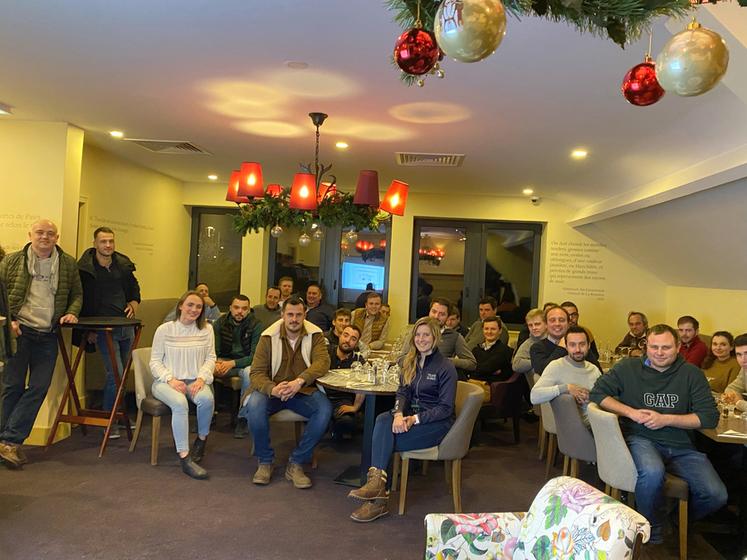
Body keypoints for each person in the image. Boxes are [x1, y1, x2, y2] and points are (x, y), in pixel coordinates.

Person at [590, 324, 727, 545]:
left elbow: (709, 417)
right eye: (654, 347)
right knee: (652, 473)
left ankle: (674, 520)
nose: (659, 353)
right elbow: (598, 393)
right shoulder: (627, 368)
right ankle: (650, 529)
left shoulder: (691, 373)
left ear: (678, 347)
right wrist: (631, 413)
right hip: (641, 438)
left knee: (716, 495)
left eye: (666, 347)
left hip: (681, 445)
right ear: (646, 346)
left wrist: (666, 419)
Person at [347, 317, 457, 522]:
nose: (421, 339)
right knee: (382, 420)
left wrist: (413, 419)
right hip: (409, 415)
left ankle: (378, 500)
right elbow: (402, 392)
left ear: (435, 337)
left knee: (384, 441)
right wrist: (398, 414)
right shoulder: (410, 361)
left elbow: (445, 408)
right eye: (418, 334)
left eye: (426, 334)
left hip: (436, 424)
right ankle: (377, 488)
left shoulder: (446, 367)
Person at [0, 219, 82, 469]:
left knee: (38, 387)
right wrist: (8, 321)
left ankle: (8, 441)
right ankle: (8, 443)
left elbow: (77, 294)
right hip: (19, 332)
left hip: (47, 334)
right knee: (11, 386)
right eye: (40, 233)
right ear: (30, 235)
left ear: (57, 237)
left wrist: (72, 312)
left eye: (50, 234)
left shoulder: (67, 263)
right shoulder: (12, 261)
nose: (44, 237)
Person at [240, 296, 332, 489]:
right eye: (290, 314)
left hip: (302, 390)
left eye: (299, 315)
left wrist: (300, 381)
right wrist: (272, 389)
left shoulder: (315, 335)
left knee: (324, 409)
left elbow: (323, 363)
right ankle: (265, 461)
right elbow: (256, 373)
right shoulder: (267, 337)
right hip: (271, 391)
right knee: (254, 406)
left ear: (305, 315)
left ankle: (297, 462)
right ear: (282, 315)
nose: (294, 319)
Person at [76, 227, 141, 437]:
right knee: (116, 375)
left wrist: (134, 302)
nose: (108, 245)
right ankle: (109, 419)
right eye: (103, 241)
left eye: (111, 241)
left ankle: (118, 415)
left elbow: (134, 288)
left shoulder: (122, 265)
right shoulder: (85, 269)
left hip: (126, 327)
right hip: (104, 329)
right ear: (95, 243)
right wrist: (88, 330)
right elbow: (81, 300)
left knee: (120, 376)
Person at [150, 291, 215, 479]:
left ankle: (201, 441)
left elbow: (211, 358)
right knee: (180, 404)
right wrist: (170, 379)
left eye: (198, 307)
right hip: (165, 382)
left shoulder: (207, 329)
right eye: (190, 305)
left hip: (195, 380)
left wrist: (201, 379)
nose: (194, 310)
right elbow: (154, 361)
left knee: (207, 399)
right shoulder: (164, 330)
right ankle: (185, 458)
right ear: (180, 306)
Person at [213, 295, 262, 438]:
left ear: (248, 310)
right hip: (223, 361)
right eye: (236, 307)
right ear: (230, 308)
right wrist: (217, 362)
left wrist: (232, 363)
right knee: (206, 371)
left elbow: (254, 357)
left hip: (243, 363)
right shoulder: (220, 323)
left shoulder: (256, 325)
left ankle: (243, 418)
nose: (240, 311)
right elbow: (214, 351)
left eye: (244, 308)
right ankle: (208, 414)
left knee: (249, 373)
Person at [530, 326, 600, 426]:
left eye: (582, 344)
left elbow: (602, 397)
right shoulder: (556, 366)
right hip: (576, 427)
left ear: (589, 346)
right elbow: (534, 396)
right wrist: (566, 388)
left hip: (595, 421)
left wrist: (591, 397)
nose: (578, 349)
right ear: (566, 346)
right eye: (572, 345)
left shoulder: (594, 369)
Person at [400, 298, 476, 372]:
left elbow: (472, 363)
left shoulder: (455, 337)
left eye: (442, 314)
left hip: (439, 380)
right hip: (414, 378)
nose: (436, 316)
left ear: (447, 317)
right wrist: (418, 360)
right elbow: (400, 359)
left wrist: (446, 361)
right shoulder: (416, 332)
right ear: (429, 312)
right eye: (434, 312)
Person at [530, 305, 602, 376]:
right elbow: (543, 371)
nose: (557, 324)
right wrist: (561, 348)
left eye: (562, 320)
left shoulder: (579, 345)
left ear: (568, 324)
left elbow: (598, 371)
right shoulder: (537, 348)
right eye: (552, 320)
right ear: (546, 324)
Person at [326, 325, 366, 439]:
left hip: (343, 399)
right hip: (322, 395)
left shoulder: (358, 360)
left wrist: (355, 407)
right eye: (345, 335)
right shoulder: (326, 352)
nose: (348, 340)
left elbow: (364, 385)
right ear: (339, 336)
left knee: (348, 422)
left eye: (353, 339)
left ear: (357, 343)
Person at [467, 316, 513, 402]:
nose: (489, 332)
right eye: (486, 329)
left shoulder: (505, 351)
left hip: (490, 389)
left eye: (493, 329)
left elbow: (487, 368)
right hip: (472, 384)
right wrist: (488, 372)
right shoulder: (476, 349)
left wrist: (474, 370)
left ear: (500, 331)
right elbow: (470, 368)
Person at [512, 308, 547, 381]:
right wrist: (538, 361)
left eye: (537, 324)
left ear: (546, 324)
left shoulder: (555, 339)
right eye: (530, 325)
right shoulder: (528, 344)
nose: (534, 328)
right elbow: (516, 365)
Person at [720, 333, 747, 413]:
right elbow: (731, 389)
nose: (743, 359)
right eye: (739, 354)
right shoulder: (744, 369)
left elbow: (738, 401)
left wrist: (739, 403)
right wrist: (732, 396)